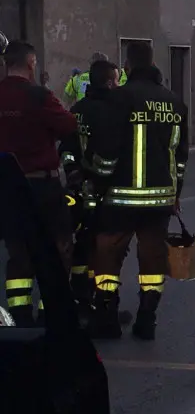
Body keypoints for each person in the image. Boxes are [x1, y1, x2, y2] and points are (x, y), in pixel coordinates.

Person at [83, 41, 189, 340]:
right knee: (153, 262)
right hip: (159, 202)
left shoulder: (118, 99)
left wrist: (96, 183)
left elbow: (107, 151)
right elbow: (181, 157)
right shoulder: (174, 102)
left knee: (107, 258)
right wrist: (175, 192)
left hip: (119, 200)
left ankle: (106, 318)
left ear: (127, 66)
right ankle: (147, 320)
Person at [0, 40, 78, 326]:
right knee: (58, 249)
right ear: (31, 63)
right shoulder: (39, 96)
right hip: (41, 186)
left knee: (18, 251)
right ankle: (51, 312)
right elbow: (69, 125)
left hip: (7, 187)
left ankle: (20, 315)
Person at [58, 60, 121, 321]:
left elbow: (67, 148)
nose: (118, 85)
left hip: (78, 189)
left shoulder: (77, 110)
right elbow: (109, 153)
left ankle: (81, 299)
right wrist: (100, 177)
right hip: (102, 191)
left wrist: (73, 172)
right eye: (116, 80)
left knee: (82, 246)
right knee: (102, 249)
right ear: (108, 82)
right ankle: (99, 304)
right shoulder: (110, 111)